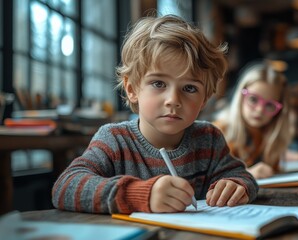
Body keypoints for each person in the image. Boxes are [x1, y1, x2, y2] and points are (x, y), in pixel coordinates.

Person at [51, 14, 258, 214]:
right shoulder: (114, 140)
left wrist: (236, 186)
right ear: (132, 89)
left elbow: (242, 177)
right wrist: (139, 195)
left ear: (204, 98)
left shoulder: (209, 139)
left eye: (189, 88)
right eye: (158, 83)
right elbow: (65, 187)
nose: (173, 100)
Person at [213, 61, 290, 179]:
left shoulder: (270, 137)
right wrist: (247, 174)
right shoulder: (216, 133)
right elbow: (206, 182)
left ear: (279, 111)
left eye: (270, 105)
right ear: (240, 96)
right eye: (253, 99)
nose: (259, 110)